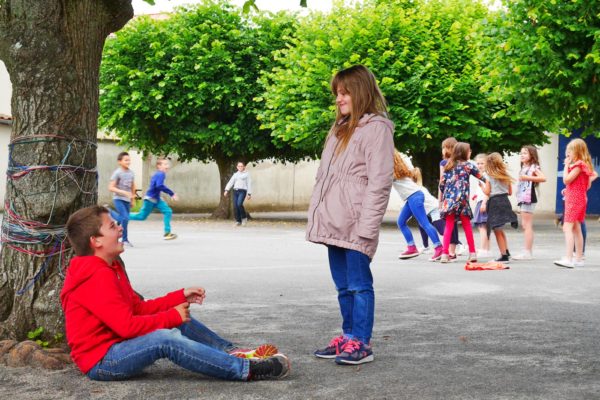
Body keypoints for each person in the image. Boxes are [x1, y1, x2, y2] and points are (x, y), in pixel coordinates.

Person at [60, 205, 290, 381]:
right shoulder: (95, 277)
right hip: (102, 361)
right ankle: (246, 370)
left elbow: (138, 309)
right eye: (112, 226)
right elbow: (127, 327)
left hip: (117, 345)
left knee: (174, 318)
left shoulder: (111, 266)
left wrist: (179, 296)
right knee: (164, 338)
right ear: (95, 241)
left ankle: (232, 352)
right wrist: (171, 318)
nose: (120, 227)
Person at [307, 65, 394, 365]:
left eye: (344, 93)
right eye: (337, 94)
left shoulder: (377, 129)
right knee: (342, 286)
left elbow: (380, 181)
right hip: (335, 222)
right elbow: (327, 177)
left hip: (357, 224)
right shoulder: (339, 128)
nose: (338, 99)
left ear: (360, 93)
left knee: (359, 285)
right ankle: (348, 336)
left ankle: (361, 342)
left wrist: (368, 226)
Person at [439, 142, 485, 263]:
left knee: (448, 226)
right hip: (463, 201)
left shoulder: (448, 165)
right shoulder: (468, 166)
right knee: (467, 226)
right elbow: (482, 177)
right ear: (464, 152)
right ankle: (473, 253)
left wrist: (446, 196)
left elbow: (442, 184)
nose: (470, 152)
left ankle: (444, 254)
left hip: (449, 201)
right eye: (469, 150)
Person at [393, 152, 444, 261]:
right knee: (401, 222)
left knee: (424, 223)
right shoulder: (399, 166)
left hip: (414, 196)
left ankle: (439, 248)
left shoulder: (391, 169)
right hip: (412, 197)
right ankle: (411, 247)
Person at [554, 139, 594, 268]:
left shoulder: (578, 165)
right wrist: (572, 189)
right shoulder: (584, 165)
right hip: (579, 198)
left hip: (574, 200)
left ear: (577, 151)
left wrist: (565, 166)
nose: (567, 153)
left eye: (569, 151)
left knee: (567, 227)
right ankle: (579, 258)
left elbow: (566, 180)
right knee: (576, 229)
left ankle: (569, 258)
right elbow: (584, 185)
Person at [129, 158, 178, 240]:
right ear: (159, 166)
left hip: (157, 199)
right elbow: (159, 186)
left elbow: (156, 187)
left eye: (167, 164)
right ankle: (123, 215)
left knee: (168, 211)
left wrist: (160, 196)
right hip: (150, 199)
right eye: (165, 164)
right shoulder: (160, 174)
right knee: (141, 217)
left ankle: (167, 233)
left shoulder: (159, 174)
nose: (167, 166)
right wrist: (171, 193)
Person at [483, 152, 518, 263]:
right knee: (500, 229)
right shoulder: (505, 175)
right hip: (505, 201)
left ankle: (503, 256)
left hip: (495, 203)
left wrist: (482, 187)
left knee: (497, 230)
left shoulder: (488, 176)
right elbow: (510, 192)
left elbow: (487, 192)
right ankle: (506, 251)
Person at [512, 145, 546, 260]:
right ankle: (527, 251)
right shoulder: (524, 167)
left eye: (525, 153)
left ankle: (527, 252)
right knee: (525, 225)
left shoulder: (534, 167)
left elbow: (543, 178)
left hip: (529, 197)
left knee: (527, 225)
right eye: (521, 153)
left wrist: (528, 177)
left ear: (532, 155)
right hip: (523, 197)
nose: (522, 155)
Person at [438, 137, 463, 259]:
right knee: (453, 223)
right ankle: (451, 251)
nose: (443, 150)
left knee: (448, 224)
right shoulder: (460, 163)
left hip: (448, 197)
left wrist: (440, 200)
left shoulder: (444, 164)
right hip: (458, 196)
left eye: (444, 147)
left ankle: (447, 251)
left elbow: (441, 184)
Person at [108, 152, 136, 247]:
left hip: (127, 200)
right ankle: (124, 240)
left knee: (123, 220)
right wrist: (124, 192)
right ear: (119, 162)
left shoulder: (131, 173)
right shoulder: (117, 173)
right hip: (118, 199)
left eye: (129, 160)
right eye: (126, 160)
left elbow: (132, 186)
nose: (128, 162)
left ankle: (115, 238)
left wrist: (133, 199)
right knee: (125, 218)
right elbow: (111, 187)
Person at [472, 153, 491, 258]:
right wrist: (476, 195)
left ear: (487, 163)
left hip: (484, 202)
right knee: (485, 227)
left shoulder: (485, 176)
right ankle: (486, 249)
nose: (479, 165)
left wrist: (483, 202)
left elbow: (488, 191)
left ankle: (484, 249)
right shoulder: (482, 175)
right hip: (482, 201)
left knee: (482, 227)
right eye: (478, 163)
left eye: (482, 163)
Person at [223, 161, 252, 226]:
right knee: (235, 206)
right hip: (235, 191)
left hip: (242, 191)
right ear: (237, 167)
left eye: (241, 166)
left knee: (239, 204)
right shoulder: (235, 174)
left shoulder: (247, 174)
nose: (240, 167)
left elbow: (249, 184)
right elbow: (231, 182)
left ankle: (244, 218)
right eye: (239, 166)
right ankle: (238, 221)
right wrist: (226, 190)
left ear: (244, 167)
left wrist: (249, 194)